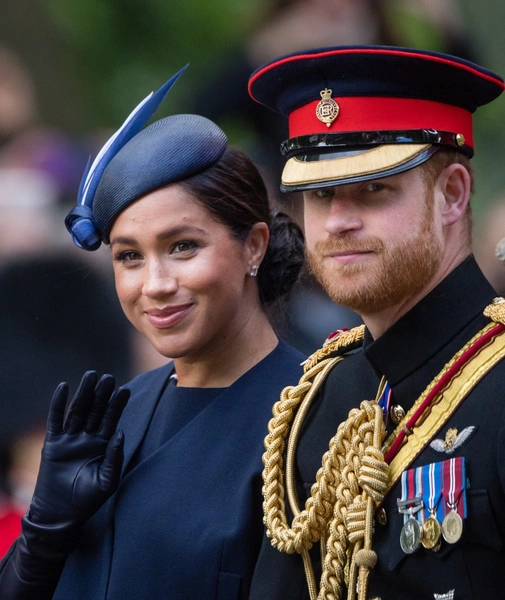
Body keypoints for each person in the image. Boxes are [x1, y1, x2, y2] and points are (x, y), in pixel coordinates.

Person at [0, 67, 305, 599]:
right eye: (130, 257)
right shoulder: (119, 412)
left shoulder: (311, 412)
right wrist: (43, 533)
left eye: (183, 246)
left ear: (253, 245)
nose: (156, 285)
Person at [246, 45, 505, 599]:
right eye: (320, 194)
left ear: (452, 194)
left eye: (374, 189)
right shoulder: (320, 399)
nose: (338, 220)